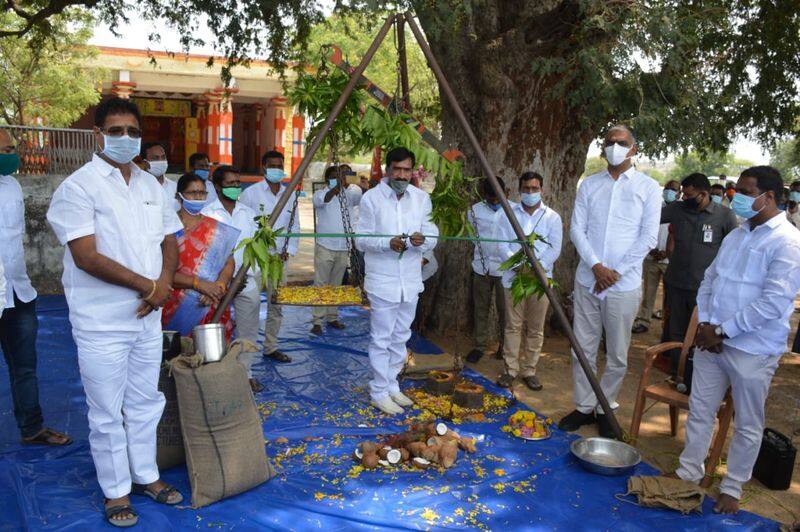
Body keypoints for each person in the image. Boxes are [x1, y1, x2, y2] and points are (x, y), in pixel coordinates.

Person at [46, 97, 184, 527]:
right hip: (101, 321)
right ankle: (115, 491)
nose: (125, 138)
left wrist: (162, 287)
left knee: (146, 400)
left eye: (133, 131)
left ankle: (146, 476)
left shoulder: (151, 185)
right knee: (106, 410)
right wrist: (149, 287)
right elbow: (86, 256)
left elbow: (170, 241)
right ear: (98, 134)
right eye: (116, 130)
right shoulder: (78, 187)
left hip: (146, 317)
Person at [672, 166, 800, 514]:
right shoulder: (738, 234)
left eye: (744, 192)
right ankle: (689, 472)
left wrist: (723, 330)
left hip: (753, 350)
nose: (735, 197)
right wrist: (707, 324)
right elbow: (711, 278)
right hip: (713, 342)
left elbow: (773, 302)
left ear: (768, 197)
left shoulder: (787, 241)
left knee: (747, 422)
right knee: (700, 411)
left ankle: (731, 486)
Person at [558, 125, 661, 438]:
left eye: (621, 142)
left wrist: (614, 272)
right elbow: (577, 229)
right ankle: (584, 405)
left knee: (616, 352)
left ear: (633, 149)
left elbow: (648, 237)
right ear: (603, 148)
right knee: (582, 348)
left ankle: (606, 405)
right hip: (588, 279)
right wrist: (597, 266)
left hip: (623, 284)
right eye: (609, 143)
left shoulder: (648, 187)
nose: (615, 147)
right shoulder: (590, 185)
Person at [0, 129, 72, 447]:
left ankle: (32, 427)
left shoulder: (13, 186)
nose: (11, 154)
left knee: (25, 365)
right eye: (4, 149)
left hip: (18, 291)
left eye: (12, 148)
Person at [356, 147, 438, 415]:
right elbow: (361, 239)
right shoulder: (371, 199)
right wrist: (386, 243)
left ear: (412, 171)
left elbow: (432, 233)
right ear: (388, 170)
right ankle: (378, 391)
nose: (401, 175)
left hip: (410, 281)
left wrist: (422, 240)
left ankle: (392, 386)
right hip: (383, 281)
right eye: (397, 169)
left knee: (401, 336)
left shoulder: (421, 198)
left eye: (406, 170)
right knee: (381, 338)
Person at [660, 173, 738, 379]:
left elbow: (734, 251)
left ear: (703, 194)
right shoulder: (677, 209)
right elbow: (649, 216)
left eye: (688, 194)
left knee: (698, 332)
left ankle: (695, 376)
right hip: (676, 283)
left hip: (704, 289)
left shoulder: (724, 216)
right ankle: (677, 373)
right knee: (675, 331)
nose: (684, 198)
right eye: (683, 194)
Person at [495, 172, 562, 391]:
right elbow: (501, 244)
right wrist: (518, 265)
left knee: (535, 327)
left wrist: (536, 267)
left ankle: (529, 370)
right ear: (519, 190)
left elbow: (555, 248)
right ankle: (510, 370)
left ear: (542, 190)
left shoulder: (552, 217)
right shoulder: (507, 214)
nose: (530, 193)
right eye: (526, 189)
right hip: (513, 278)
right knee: (512, 326)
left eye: (534, 189)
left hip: (540, 281)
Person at [201, 166, 263, 391]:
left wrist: (245, 276)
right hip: (216, 283)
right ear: (217, 187)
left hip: (246, 280)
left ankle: (245, 372)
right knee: (214, 327)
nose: (236, 187)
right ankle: (215, 372)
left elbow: (256, 247)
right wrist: (224, 281)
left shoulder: (247, 213)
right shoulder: (208, 214)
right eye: (231, 184)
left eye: (238, 183)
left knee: (248, 329)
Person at [239, 149, 299, 363]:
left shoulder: (290, 193)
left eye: (279, 165)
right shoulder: (251, 194)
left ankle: (271, 346)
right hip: (256, 259)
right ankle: (246, 351)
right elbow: (243, 223)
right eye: (272, 165)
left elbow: (295, 225)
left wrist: (289, 250)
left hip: (278, 259)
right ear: (263, 167)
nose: (276, 169)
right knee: (251, 304)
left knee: (277, 304)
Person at [161, 172, 237, 339]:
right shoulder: (166, 227)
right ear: (178, 195)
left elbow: (228, 262)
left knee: (210, 357)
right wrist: (199, 284)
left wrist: (219, 287)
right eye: (192, 193)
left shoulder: (217, 229)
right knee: (173, 358)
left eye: (202, 193)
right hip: (172, 304)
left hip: (208, 302)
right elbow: (158, 270)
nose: (198, 197)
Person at [310, 165, 362, 335]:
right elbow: (323, 199)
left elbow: (358, 198)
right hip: (325, 245)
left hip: (342, 246)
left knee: (336, 285)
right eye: (334, 177)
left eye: (340, 176)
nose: (337, 179)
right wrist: (336, 187)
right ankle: (317, 321)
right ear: (327, 179)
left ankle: (332, 317)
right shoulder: (320, 193)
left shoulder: (352, 192)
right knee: (320, 284)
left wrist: (346, 185)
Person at [465, 178, 508, 363]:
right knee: (480, 308)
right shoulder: (474, 210)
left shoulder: (513, 210)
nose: (495, 201)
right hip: (481, 267)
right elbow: (472, 235)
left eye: (498, 196)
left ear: (505, 192)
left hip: (506, 270)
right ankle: (479, 346)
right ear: (484, 195)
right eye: (491, 198)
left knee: (505, 311)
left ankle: (505, 347)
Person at [632, 179, 680, 334]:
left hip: (669, 261)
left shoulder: (681, 212)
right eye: (667, 188)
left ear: (679, 193)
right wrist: (651, 250)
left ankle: (666, 326)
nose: (669, 191)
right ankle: (643, 320)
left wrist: (667, 252)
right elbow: (644, 230)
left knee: (670, 296)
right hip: (651, 258)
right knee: (649, 292)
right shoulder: (655, 209)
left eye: (673, 189)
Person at [141, 141, 179, 210]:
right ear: (145, 163)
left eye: (163, 157)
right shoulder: (138, 186)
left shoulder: (175, 187)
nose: (161, 161)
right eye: (155, 158)